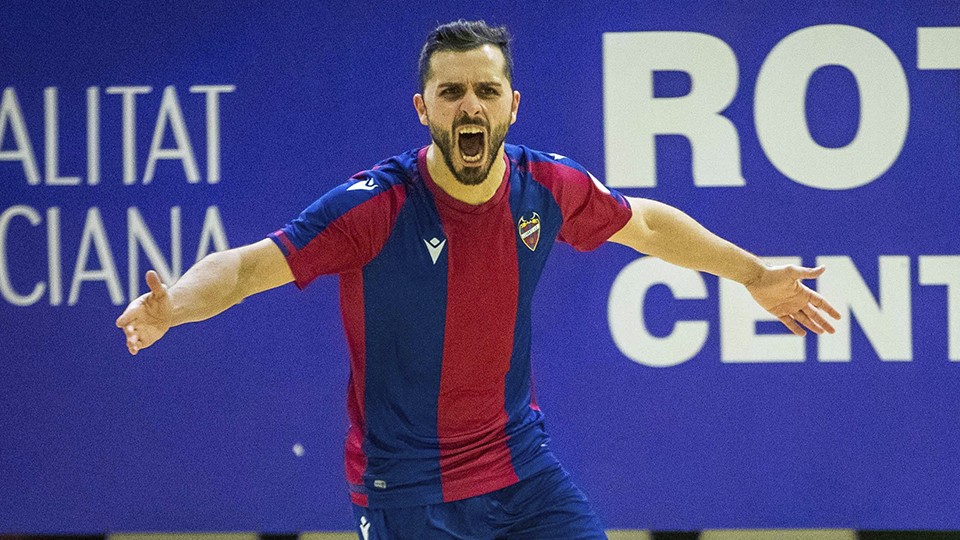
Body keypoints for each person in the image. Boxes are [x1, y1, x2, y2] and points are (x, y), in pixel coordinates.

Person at [116, 19, 840, 540]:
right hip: (405, 491)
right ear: (423, 107)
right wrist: (175, 304)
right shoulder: (376, 207)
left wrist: (753, 276)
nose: (470, 105)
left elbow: (644, 224)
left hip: (520, 470)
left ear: (511, 106)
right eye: (452, 91)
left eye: (486, 91)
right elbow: (245, 266)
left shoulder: (547, 186)